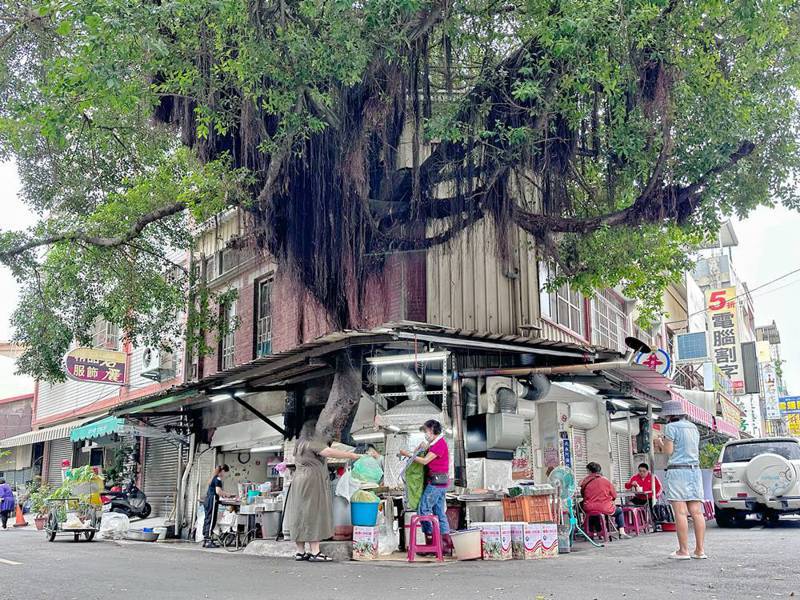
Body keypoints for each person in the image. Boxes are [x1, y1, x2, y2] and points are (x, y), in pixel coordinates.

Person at [290, 420, 361, 562]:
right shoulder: (313, 442)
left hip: (298, 480)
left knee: (300, 513)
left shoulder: (299, 443)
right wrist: (351, 455)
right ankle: (315, 552)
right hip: (312, 480)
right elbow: (328, 451)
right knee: (313, 513)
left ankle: (300, 551)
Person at [654, 400, 707, 560]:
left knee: (680, 513)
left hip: (678, 472)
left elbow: (668, 451)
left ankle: (683, 551)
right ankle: (700, 550)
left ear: (669, 415)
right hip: (694, 471)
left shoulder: (670, 427)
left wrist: (659, 443)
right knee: (697, 512)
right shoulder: (693, 427)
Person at [399, 419, 453, 553]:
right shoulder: (434, 443)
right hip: (440, 483)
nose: (425, 434)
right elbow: (425, 452)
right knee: (440, 513)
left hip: (436, 483)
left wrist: (408, 454)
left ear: (433, 430)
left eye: (427, 431)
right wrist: (420, 448)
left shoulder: (439, 444)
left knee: (423, 510)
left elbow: (424, 461)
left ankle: (431, 542)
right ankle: (444, 546)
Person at [579, 462, 630, 539]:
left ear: (589, 471)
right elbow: (614, 496)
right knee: (619, 511)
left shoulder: (585, 481)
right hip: (605, 508)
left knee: (580, 508)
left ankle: (588, 531)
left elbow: (583, 495)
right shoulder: (606, 481)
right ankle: (622, 532)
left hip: (589, 508)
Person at [202, 464, 236, 548]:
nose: (225, 475)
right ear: (223, 471)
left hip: (208, 499)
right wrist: (227, 494)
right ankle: (208, 541)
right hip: (212, 500)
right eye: (226, 473)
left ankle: (206, 540)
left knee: (207, 519)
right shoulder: (218, 479)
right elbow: (218, 491)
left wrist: (224, 494)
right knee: (211, 520)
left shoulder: (214, 477)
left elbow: (218, 491)